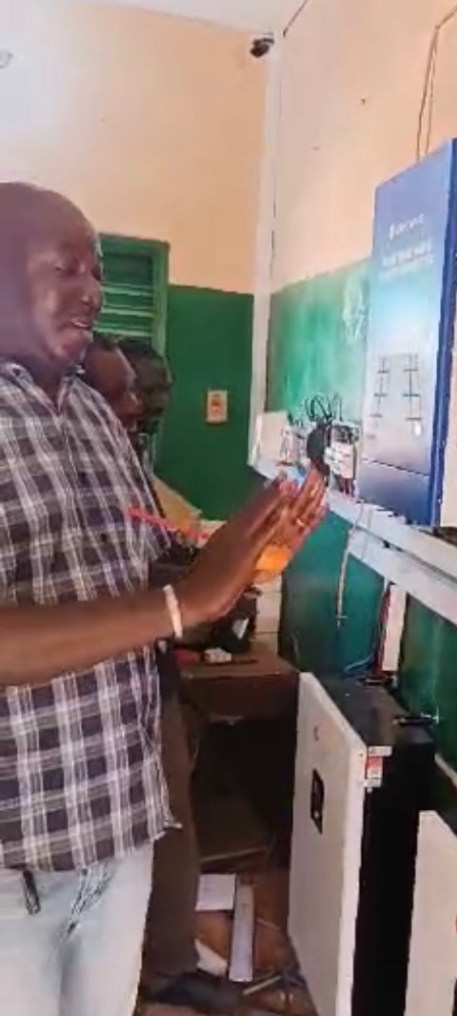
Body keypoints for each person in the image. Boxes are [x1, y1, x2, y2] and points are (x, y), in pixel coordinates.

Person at [0, 181, 325, 1016]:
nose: (92, 292)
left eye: (99, 273)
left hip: (119, 832)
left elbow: (133, 579)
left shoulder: (95, 417)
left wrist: (237, 563)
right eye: (66, 268)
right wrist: (184, 605)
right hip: (14, 860)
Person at [84, 335, 253, 1013]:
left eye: (145, 394)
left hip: (149, 684)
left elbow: (150, 561)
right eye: (121, 393)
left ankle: (166, 964)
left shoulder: (127, 464)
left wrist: (216, 576)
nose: (138, 407)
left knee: (172, 822)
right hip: (77, 705)